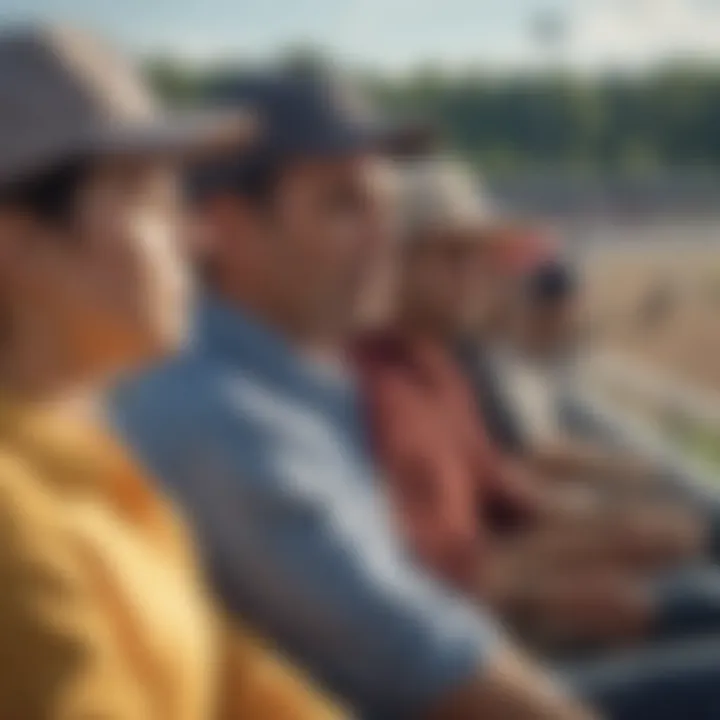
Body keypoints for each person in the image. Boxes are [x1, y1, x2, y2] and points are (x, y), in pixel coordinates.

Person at [111, 71, 720, 719]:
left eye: (382, 207)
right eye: (342, 204)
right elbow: (419, 656)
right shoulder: (226, 415)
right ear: (228, 228)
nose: (381, 239)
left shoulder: (292, 382)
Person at [0, 26, 343, 720]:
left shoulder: (92, 453)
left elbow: (239, 681)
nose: (195, 235)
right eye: (148, 197)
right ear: (18, 242)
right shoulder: (17, 514)